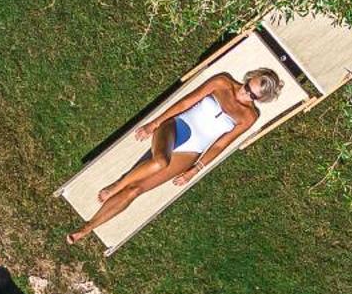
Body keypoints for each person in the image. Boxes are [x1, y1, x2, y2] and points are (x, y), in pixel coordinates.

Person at [66, 67, 283, 244]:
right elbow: (185, 103)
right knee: (160, 161)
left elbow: (220, 145)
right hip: (176, 126)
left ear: (261, 98)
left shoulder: (249, 116)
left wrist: (195, 170)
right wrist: (154, 123)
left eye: (253, 95)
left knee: (136, 191)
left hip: (193, 149)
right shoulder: (223, 82)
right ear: (248, 78)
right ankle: (117, 185)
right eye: (247, 87)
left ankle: (87, 228)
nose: (245, 94)